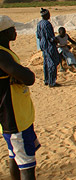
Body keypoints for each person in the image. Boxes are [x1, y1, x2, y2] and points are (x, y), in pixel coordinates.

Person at [0, 15, 40, 180]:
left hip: (16, 116)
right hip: (13, 117)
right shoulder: (2, 55)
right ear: (3, 33)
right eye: (12, 29)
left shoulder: (5, 53)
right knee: (27, 164)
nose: (15, 31)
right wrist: (23, 74)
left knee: (14, 155)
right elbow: (29, 78)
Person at [36, 8, 60, 87]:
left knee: (46, 63)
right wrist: (56, 40)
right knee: (52, 63)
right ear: (46, 15)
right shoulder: (47, 24)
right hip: (49, 45)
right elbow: (50, 37)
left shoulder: (39, 23)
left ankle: (46, 80)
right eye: (48, 14)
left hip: (43, 44)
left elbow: (38, 35)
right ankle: (52, 82)